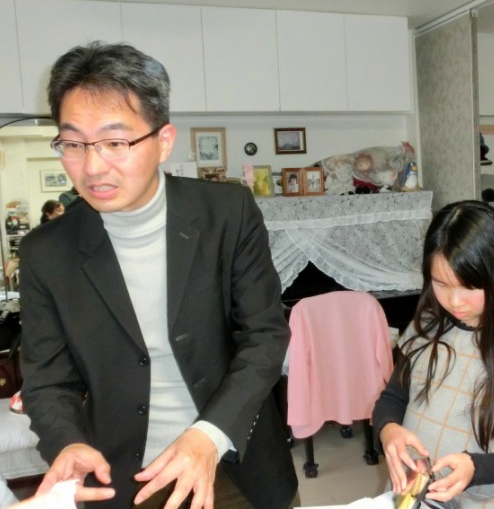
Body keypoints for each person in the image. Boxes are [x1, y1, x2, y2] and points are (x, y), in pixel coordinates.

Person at [18, 41, 297, 509]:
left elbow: (265, 336)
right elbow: (48, 381)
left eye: (115, 143)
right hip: (124, 477)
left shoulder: (226, 213)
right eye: (73, 144)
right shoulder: (45, 252)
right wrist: (66, 442)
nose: (92, 167)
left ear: (163, 141)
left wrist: (208, 435)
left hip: (234, 458)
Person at [372, 200, 494, 508]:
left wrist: (477, 467)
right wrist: (388, 430)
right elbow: (392, 398)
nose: (454, 301)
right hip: (412, 494)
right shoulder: (425, 326)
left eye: (468, 287)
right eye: (441, 283)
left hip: (483, 500)